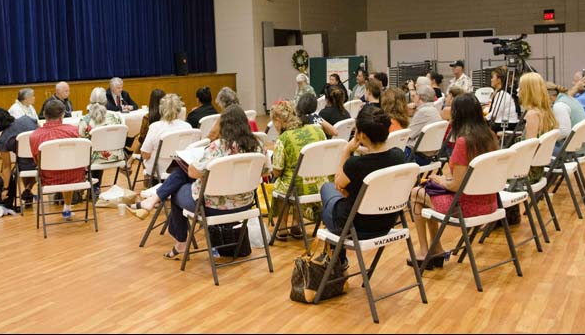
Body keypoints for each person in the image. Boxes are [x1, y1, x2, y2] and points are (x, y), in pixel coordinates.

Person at [129, 105, 268, 259]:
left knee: (176, 186)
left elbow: (193, 172)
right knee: (180, 176)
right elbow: (265, 172)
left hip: (212, 206)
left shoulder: (218, 146)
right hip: (245, 204)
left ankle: (179, 240)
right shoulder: (258, 145)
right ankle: (153, 200)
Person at [409, 94, 499, 268]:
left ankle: (425, 251)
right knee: (424, 195)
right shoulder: (489, 137)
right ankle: (436, 249)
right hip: (490, 202)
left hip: (466, 207)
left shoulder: (463, 142)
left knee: (416, 194)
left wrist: (440, 180)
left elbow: (456, 185)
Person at [320, 105, 406, 268]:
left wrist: (346, 151)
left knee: (327, 188)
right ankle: (336, 256)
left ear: (362, 135)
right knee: (345, 192)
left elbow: (338, 183)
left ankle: (336, 259)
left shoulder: (355, 165)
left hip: (357, 226)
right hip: (387, 222)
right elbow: (377, 159)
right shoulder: (398, 156)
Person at [270, 100, 327, 240]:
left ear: (278, 120)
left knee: (282, 184)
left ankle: (282, 227)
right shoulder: (317, 130)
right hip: (319, 185)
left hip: (297, 188)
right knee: (297, 179)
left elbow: (277, 171)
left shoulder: (283, 139)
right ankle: (297, 224)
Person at [29, 100, 85, 220]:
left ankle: (67, 207)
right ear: (63, 115)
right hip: (76, 177)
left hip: (49, 179)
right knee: (68, 165)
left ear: (44, 114)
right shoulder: (73, 131)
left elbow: (36, 161)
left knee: (60, 166)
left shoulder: (34, 136)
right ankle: (67, 207)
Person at [78, 87, 126, 196]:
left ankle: (89, 186)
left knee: (89, 152)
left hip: (94, 160)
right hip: (116, 156)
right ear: (106, 101)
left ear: (90, 101)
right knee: (99, 150)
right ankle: (95, 187)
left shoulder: (85, 120)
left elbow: (81, 142)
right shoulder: (117, 116)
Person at [0, 107, 38, 209]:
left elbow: (6, 166)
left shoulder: (3, 139)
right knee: (34, 163)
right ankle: (28, 188)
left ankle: (28, 189)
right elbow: (41, 133)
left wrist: (5, 189)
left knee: (21, 164)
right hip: (43, 160)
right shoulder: (27, 119)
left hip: (25, 166)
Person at [139, 94, 192, 189]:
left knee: (147, 160)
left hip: (160, 169)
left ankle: (152, 186)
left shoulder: (155, 127)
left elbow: (145, 154)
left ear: (161, 110)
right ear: (179, 110)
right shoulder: (187, 127)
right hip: (182, 168)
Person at [518, 72, 559, 183]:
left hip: (525, 173)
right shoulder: (546, 112)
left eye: (520, 88)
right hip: (537, 171)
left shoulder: (532, 115)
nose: (518, 91)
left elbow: (528, 149)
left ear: (528, 92)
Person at [546, 82, 585, 155]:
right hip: (582, 146)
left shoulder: (559, 106)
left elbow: (564, 132)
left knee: (535, 150)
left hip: (573, 150)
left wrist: (546, 139)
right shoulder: (569, 98)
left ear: (548, 96)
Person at [405, 85, 442, 165]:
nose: (413, 97)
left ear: (419, 97)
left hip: (417, 156)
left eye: (415, 95)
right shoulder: (434, 109)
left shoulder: (423, 112)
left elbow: (408, 134)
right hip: (430, 154)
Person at [486, 66, 519, 132]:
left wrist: (481, 119)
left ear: (499, 80)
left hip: (507, 124)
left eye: (492, 77)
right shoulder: (507, 91)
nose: (491, 80)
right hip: (510, 122)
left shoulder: (502, 94)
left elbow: (494, 114)